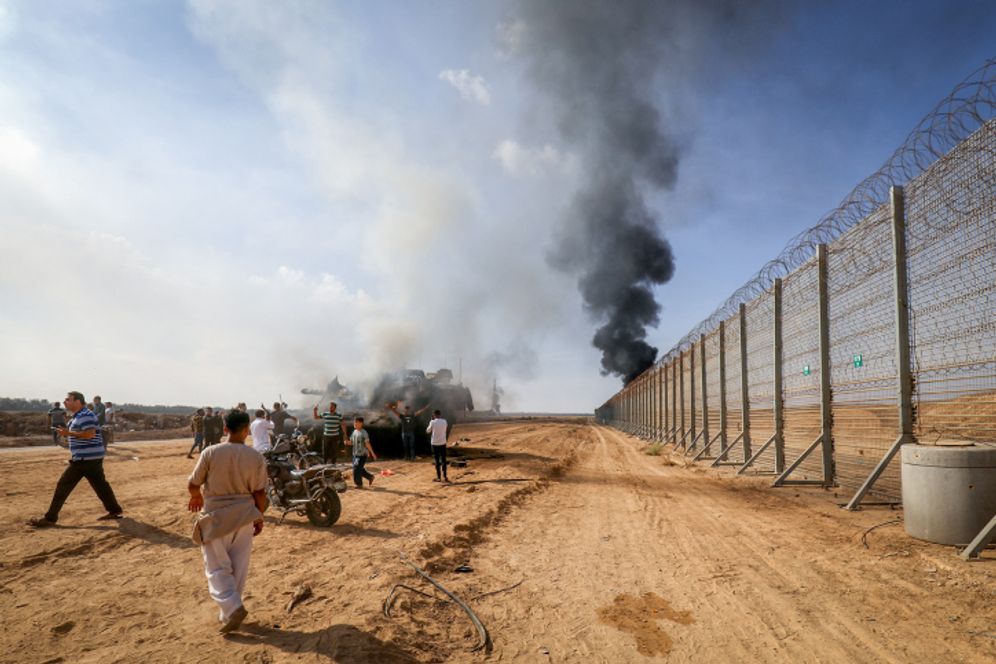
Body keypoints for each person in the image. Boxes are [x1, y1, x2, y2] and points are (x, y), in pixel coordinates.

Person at [187, 410, 267, 635]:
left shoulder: (210, 452)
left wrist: (196, 496)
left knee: (216, 569)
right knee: (238, 569)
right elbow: (260, 493)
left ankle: (232, 609)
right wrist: (258, 516)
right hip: (244, 518)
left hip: (216, 518)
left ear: (225, 429)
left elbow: (193, 484)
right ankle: (229, 613)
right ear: (246, 430)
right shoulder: (256, 457)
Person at [28, 391, 124, 527]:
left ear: (77, 401)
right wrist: (67, 434)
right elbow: (82, 433)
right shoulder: (79, 415)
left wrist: (68, 433)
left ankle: (50, 518)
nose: (65, 402)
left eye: (68, 400)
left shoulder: (85, 415)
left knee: (64, 485)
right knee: (100, 485)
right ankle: (114, 510)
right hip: (91, 457)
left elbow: (90, 434)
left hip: (85, 459)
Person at [349, 416, 377, 488]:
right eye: (354, 422)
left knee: (356, 468)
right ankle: (370, 477)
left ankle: (359, 484)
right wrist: (347, 442)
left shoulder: (364, 433)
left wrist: (372, 453)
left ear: (361, 423)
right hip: (355, 454)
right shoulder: (354, 432)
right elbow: (352, 442)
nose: (354, 423)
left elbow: (367, 443)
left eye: (356, 422)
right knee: (359, 468)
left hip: (362, 454)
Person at [426, 410, 449, 483]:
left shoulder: (432, 422)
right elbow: (445, 430)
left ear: (434, 415)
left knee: (437, 460)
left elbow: (428, 431)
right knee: (444, 460)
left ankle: (439, 477)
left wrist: (431, 421)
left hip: (435, 443)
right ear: (440, 414)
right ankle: (445, 476)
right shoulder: (444, 421)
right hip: (443, 442)